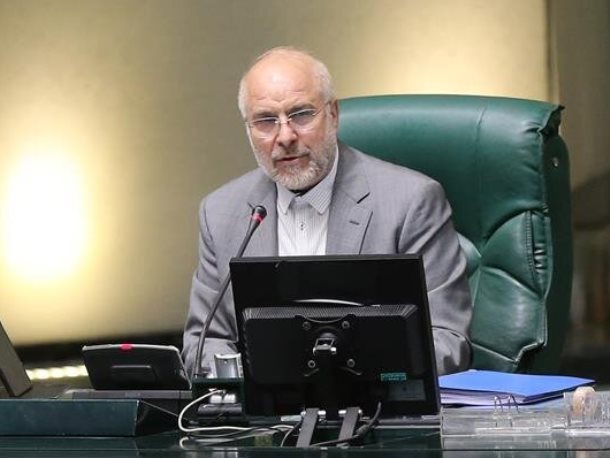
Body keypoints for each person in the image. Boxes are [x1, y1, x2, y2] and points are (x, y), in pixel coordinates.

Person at [182, 47, 472, 376]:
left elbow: (447, 341)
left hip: (373, 401)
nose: (285, 136)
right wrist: (253, 381)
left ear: (333, 114)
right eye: (265, 121)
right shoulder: (221, 213)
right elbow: (204, 342)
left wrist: (336, 378)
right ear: (248, 129)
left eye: (301, 114)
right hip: (265, 407)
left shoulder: (411, 202)